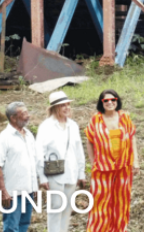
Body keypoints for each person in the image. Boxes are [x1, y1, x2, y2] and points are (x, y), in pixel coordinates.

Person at [85, 89, 139, 232]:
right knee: (101, 201)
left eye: (112, 99)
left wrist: (136, 161)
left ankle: (120, 228)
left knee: (121, 201)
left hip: (123, 167)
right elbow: (89, 141)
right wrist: (93, 161)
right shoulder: (95, 119)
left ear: (117, 101)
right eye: (106, 100)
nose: (110, 102)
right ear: (101, 103)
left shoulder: (125, 117)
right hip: (102, 168)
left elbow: (132, 137)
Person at [36, 91, 87, 232]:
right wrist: (42, 176)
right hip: (54, 172)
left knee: (67, 208)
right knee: (55, 207)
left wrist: (81, 173)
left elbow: (78, 150)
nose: (66, 108)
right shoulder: (46, 126)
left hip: (71, 171)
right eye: (62, 105)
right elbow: (39, 152)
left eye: (68, 104)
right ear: (54, 107)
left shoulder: (73, 125)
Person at [0, 101, 44, 232]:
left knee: (24, 225)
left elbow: (33, 162)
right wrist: (3, 191)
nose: (28, 116)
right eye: (24, 113)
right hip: (13, 194)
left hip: (29, 191)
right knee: (11, 228)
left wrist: (35, 187)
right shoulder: (4, 138)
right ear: (13, 118)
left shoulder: (28, 135)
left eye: (28, 112)